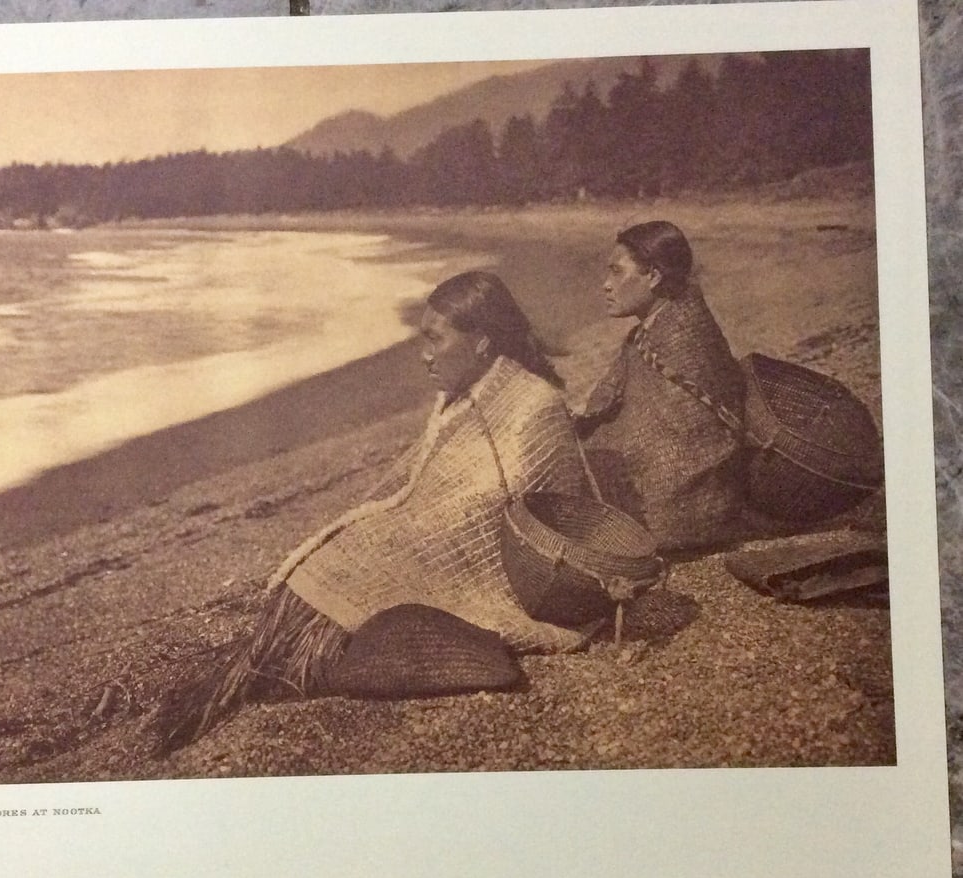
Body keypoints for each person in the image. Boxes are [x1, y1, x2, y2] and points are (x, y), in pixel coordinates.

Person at [158, 271, 597, 752]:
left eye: (435, 339)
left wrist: (423, 531)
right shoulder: (462, 397)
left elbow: (533, 508)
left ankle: (312, 660)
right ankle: (280, 657)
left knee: (369, 568)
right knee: (341, 554)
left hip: (493, 562)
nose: (424, 354)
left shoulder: (536, 405)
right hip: (439, 535)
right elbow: (431, 482)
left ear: (482, 343)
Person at [577, 220, 744, 552]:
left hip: (685, 504)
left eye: (617, 272)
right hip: (697, 496)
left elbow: (683, 436)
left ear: (653, 276)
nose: (606, 285)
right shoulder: (665, 323)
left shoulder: (683, 336)